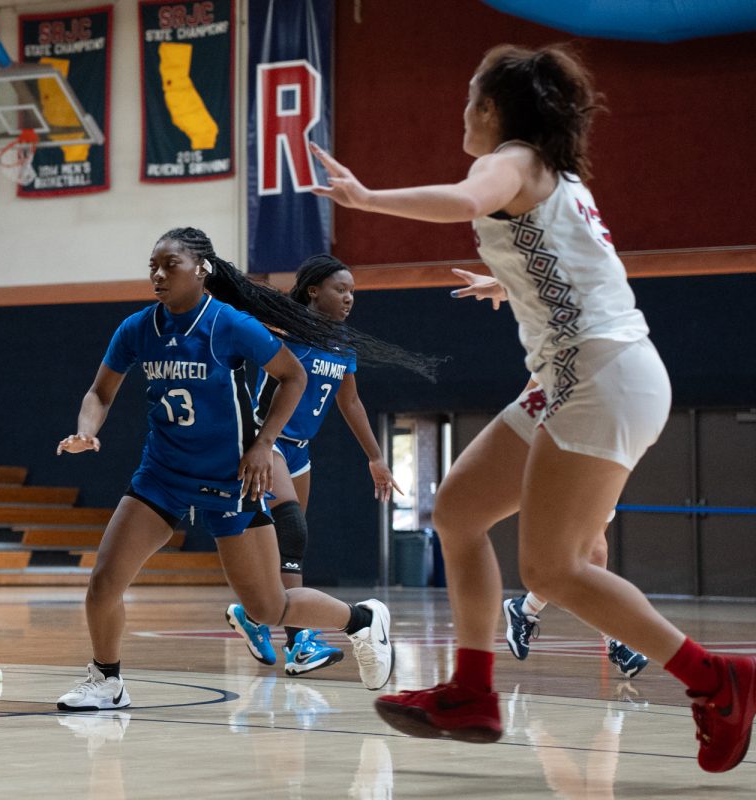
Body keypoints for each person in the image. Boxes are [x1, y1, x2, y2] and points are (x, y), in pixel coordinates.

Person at [310, 43, 754, 773]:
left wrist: (369, 199)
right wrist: (508, 283)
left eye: (468, 99)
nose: (463, 113)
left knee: (552, 569)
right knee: (456, 511)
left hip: (600, 376)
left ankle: (717, 678)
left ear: (492, 110)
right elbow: (576, 263)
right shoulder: (557, 177)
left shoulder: (510, 160)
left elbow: (462, 200)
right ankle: (473, 689)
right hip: (579, 373)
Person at [53, 227, 396, 712]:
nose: (157, 274)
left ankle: (361, 620)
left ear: (202, 270)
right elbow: (100, 392)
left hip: (230, 481)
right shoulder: (136, 328)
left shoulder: (230, 325)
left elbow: (292, 375)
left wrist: (265, 444)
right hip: (162, 476)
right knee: (104, 581)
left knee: (267, 608)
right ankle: (107, 681)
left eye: (169, 264)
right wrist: (87, 429)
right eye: (152, 265)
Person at [225, 255, 401, 676]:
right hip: (265, 440)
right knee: (293, 530)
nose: (349, 298)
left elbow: (350, 400)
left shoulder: (342, 342)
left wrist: (375, 457)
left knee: (289, 545)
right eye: (341, 289)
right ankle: (301, 641)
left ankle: (252, 616)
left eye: (353, 292)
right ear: (312, 290)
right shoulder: (286, 327)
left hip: (300, 449)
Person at [495, 374, 648, 678]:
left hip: (607, 453)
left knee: (587, 559)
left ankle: (524, 608)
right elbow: (527, 402)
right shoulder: (563, 349)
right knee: (587, 557)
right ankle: (614, 641)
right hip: (566, 451)